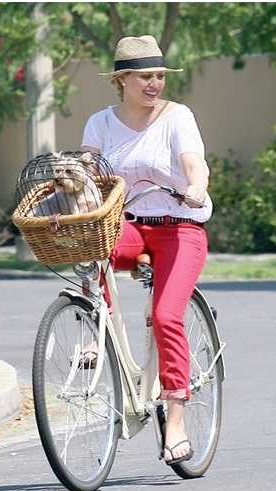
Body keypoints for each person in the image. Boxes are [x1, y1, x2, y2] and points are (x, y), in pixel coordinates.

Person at [81, 35, 213, 466]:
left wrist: (195, 186)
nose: (154, 83)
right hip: (131, 227)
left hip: (180, 228)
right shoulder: (101, 122)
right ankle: (95, 331)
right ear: (123, 80)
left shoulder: (178, 117)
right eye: (144, 77)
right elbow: (87, 168)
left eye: (159, 75)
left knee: (165, 316)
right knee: (93, 245)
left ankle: (175, 416)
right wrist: (74, 192)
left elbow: (194, 162)